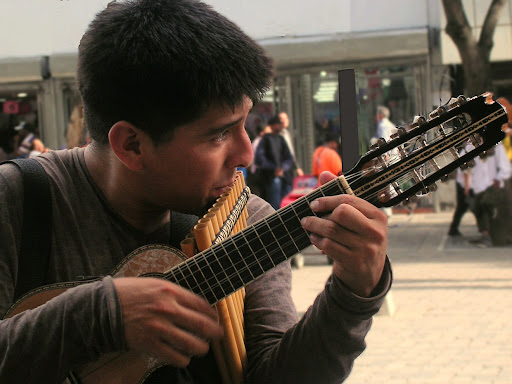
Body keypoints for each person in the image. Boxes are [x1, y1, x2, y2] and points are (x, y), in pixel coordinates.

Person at [0, 1, 391, 383]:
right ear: (132, 145)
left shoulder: (246, 220)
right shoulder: (17, 201)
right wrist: (97, 316)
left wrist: (353, 294)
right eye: (220, 133)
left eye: (245, 123)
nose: (247, 152)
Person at [254, 115, 295, 209]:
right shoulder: (265, 139)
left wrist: (282, 168)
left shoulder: (281, 139)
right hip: (270, 177)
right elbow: (259, 159)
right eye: (277, 124)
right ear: (272, 126)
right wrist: (274, 169)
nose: (279, 126)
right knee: (274, 205)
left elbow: (289, 157)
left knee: (287, 205)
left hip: (285, 177)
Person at [278, 111, 304, 177]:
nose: (284, 121)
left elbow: (291, 151)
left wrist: (297, 167)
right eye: (281, 119)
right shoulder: (276, 134)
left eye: (286, 118)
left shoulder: (287, 133)